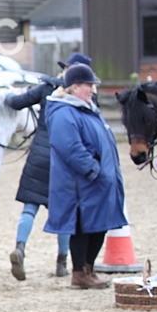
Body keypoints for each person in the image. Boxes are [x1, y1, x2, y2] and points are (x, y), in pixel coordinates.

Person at [2, 54, 87, 280]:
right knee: (64, 211)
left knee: (30, 207)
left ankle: (20, 247)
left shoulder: (45, 88)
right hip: (63, 158)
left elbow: (14, 102)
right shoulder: (81, 97)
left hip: (38, 153)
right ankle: (61, 262)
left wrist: (9, 93)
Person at [44, 62, 126, 289]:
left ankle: (87, 268)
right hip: (81, 183)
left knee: (99, 224)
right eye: (87, 85)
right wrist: (93, 169)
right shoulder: (64, 112)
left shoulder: (86, 108)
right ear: (73, 87)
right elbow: (69, 147)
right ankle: (80, 270)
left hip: (96, 181)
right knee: (82, 226)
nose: (92, 89)